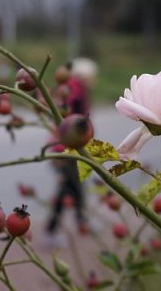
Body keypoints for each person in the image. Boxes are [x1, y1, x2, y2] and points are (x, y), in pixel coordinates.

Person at [45, 58, 98, 242]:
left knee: (75, 187)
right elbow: (68, 112)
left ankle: (81, 221)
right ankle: (51, 231)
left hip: (69, 147)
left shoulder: (73, 86)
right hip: (65, 148)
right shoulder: (76, 87)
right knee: (67, 189)